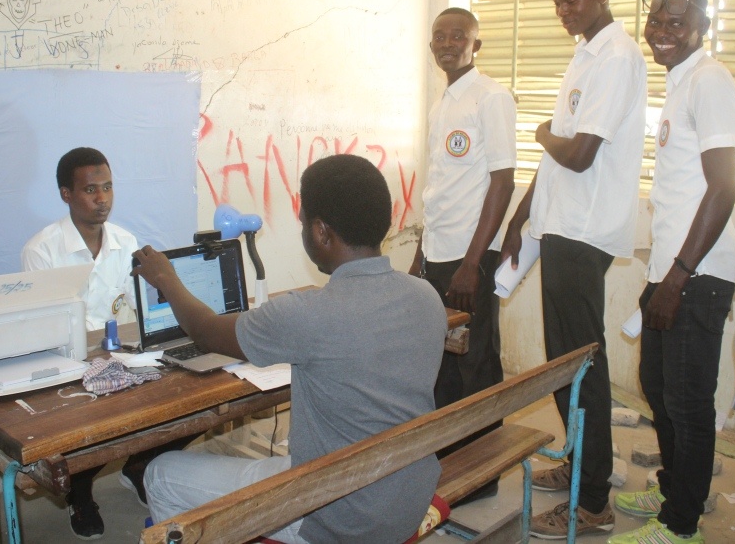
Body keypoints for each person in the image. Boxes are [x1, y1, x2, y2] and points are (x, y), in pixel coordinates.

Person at [139, 154, 446, 544]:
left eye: (302, 224)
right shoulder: (426, 296)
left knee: (161, 473)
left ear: (320, 232)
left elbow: (204, 332)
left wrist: (166, 278)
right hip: (407, 497)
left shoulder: (308, 313)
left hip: (339, 518)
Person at [500, 0, 647, 538]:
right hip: (561, 224)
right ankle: (580, 464)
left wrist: (541, 132)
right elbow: (559, 159)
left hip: (585, 229)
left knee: (583, 364)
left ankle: (592, 502)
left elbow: (578, 154)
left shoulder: (615, 58)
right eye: (557, 1)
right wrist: (522, 217)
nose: (563, 10)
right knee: (566, 359)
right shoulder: (587, 55)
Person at [608, 0, 735, 544]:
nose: (662, 31)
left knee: (686, 404)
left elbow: (723, 187)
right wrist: (662, 275)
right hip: (671, 271)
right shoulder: (681, 82)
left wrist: (679, 277)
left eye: (676, 22)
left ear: (702, 27)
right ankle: (673, 490)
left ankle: (680, 525)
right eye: (656, 20)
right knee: (659, 390)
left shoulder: (709, 81)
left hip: (695, 275)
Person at [409, 7, 515, 498]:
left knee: (477, 365)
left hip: (469, 258)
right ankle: (449, 463)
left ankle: (482, 475)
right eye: (440, 36)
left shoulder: (491, 98)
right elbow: (439, 188)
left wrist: (473, 262)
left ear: (476, 44)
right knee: (441, 362)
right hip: (437, 253)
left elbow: (502, 181)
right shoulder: (442, 104)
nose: (447, 44)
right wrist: (420, 254)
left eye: (459, 36)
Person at [22, 146, 141, 540]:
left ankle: (139, 466)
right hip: (69, 366)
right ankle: (81, 490)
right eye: (91, 190)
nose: (102, 198)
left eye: (107, 187)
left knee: (192, 396)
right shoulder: (42, 251)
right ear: (66, 194)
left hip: (121, 358)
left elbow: (136, 308)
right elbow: (44, 330)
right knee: (89, 418)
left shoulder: (125, 241)